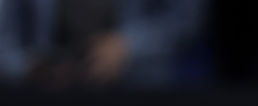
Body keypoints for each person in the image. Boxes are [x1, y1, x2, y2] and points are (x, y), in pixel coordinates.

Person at [0, 0, 206, 88]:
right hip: (44, 97)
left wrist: (128, 45)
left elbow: (186, 19)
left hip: (139, 93)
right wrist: (29, 66)